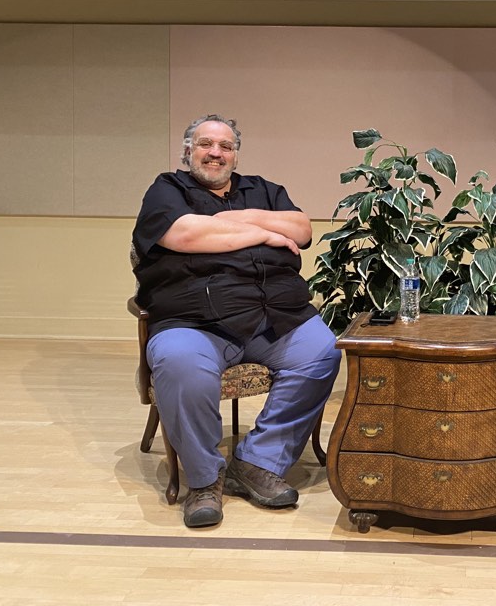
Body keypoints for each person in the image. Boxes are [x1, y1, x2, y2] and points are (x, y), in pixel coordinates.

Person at [131, 113, 340, 528]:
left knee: (323, 351)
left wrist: (233, 221)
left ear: (235, 154)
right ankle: (204, 480)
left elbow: (301, 228)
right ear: (188, 150)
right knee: (179, 363)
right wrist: (265, 232)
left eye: (225, 146)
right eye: (206, 144)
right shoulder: (167, 189)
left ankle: (258, 462)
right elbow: (185, 235)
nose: (216, 153)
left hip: (273, 317)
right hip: (193, 322)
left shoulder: (263, 189)